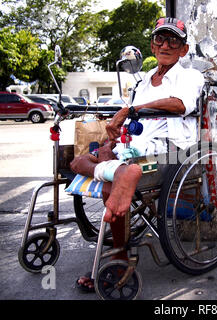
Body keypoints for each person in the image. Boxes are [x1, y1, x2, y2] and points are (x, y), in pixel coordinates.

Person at [71, 17, 204, 292]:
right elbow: (129, 119)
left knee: (111, 183)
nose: (165, 45)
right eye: (160, 39)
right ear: (152, 46)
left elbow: (179, 105)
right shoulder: (143, 81)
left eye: (173, 41)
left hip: (168, 152)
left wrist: (132, 110)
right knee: (77, 160)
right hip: (134, 147)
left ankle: (119, 254)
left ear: (183, 49)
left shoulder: (190, 75)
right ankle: (118, 172)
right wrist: (111, 139)